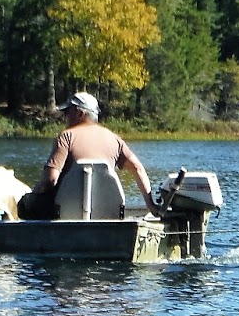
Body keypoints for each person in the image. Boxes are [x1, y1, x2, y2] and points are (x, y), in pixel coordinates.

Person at [18, 92, 159, 220]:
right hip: (107, 213)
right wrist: (151, 205)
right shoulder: (115, 139)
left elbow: (50, 180)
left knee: (26, 204)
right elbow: (137, 168)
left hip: (63, 211)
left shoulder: (66, 137)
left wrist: (34, 193)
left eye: (68, 112)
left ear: (80, 113)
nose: (65, 116)